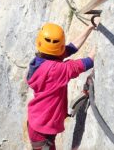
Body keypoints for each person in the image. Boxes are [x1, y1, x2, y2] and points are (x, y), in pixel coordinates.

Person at [26, 22, 98, 150]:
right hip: (42, 130)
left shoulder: (40, 62)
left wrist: (90, 27)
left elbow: (70, 48)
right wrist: (100, 43)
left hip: (38, 123)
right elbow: (87, 62)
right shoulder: (56, 70)